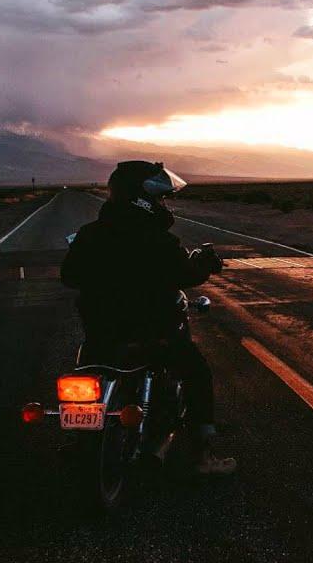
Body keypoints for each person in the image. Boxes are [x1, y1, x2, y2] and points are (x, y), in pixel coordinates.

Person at [61, 161, 235, 475]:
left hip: (101, 337)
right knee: (197, 373)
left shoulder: (89, 235)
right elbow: (187, 274)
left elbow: (69, 276)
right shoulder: (158, 240)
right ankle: (202, 457)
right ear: (142, 197)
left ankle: (84, 437)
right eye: (159, 197)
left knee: (88, 368)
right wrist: (204, 265)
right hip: (154, 336)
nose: (162, 203)